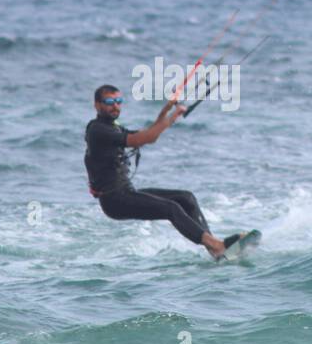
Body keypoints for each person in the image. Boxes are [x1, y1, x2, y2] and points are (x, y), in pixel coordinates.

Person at [84, 84, 234, 259]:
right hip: (115, 199)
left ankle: (215, 250)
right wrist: (171, 117)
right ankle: (216, 246)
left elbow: (149, 134)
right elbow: (148, 137)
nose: (115, 106)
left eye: (118, 101)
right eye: (109, 102)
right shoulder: (98, 130)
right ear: (97, 105)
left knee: (186, 198)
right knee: (171, 208)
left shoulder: (112, 127)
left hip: (126, 193)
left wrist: (167, 109)